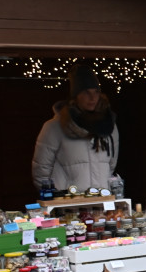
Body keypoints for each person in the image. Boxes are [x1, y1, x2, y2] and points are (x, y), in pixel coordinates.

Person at [32, 64, 120, 194]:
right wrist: (57, 199)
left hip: (102, 204)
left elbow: (110, 166)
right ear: (76, 95)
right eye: (86, 92)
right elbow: (41, 172)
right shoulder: (54, 128)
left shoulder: (109, 127)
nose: (92, 97)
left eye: (96, 92)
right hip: (69, 206)